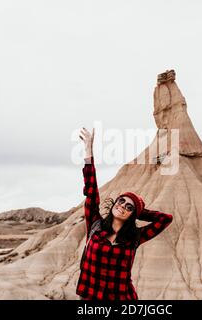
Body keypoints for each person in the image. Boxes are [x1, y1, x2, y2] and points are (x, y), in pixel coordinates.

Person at [76, 127, 173, 300]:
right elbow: (91, 190)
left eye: (129, 207)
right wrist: (88, 151)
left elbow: (165, 219)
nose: (123, 206)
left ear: (133, 215)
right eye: (121, 201)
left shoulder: (134, 237)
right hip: (91, 297)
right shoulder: (95, 225)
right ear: (115, 202)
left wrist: (139, 211)